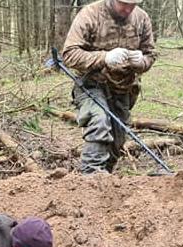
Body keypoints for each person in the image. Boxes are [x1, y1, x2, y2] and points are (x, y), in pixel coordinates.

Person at [61, 0, 156, 173]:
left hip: (124, 88)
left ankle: (105, 178)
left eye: (133, 5)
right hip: (91, 83)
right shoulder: (90, 14)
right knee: (99, 121)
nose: (128, 9)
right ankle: (90, 176)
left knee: (116, 141)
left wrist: (141, 61)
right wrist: (104, 58)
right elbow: (69, 54)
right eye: (123, 4)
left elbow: (150, 54)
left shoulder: (141, 18)